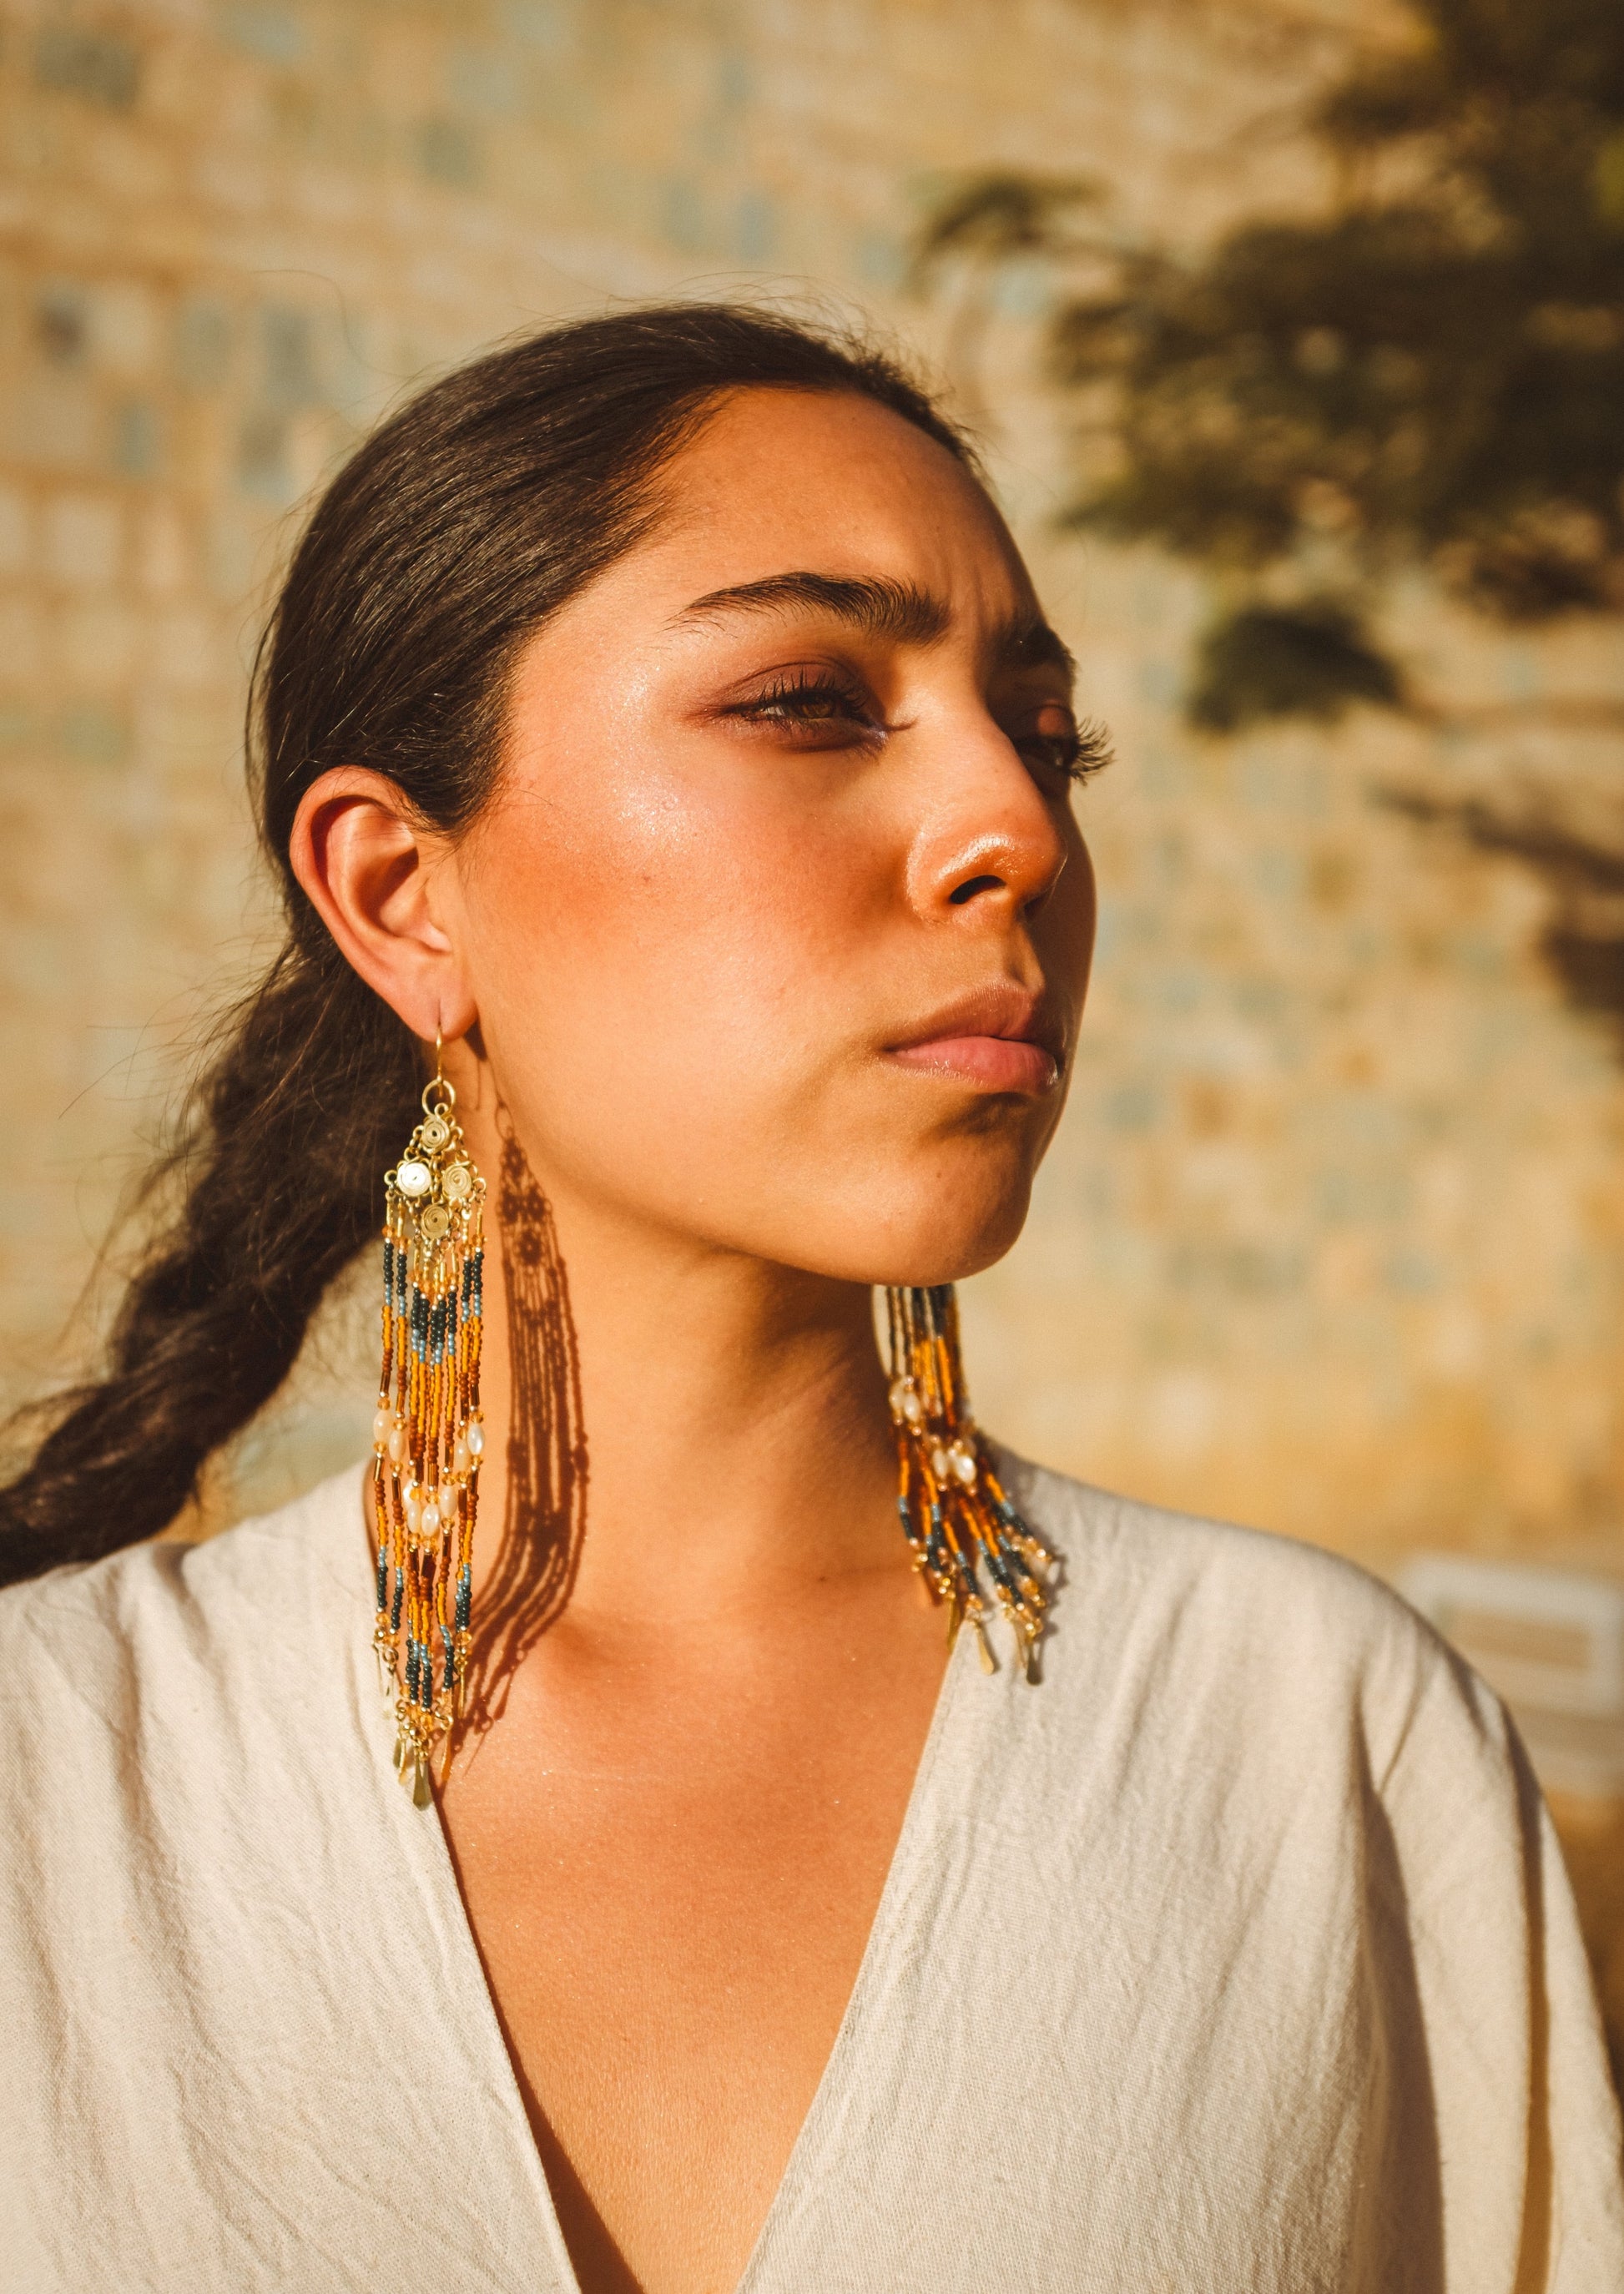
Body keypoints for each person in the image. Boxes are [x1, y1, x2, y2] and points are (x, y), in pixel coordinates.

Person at [0, 304, 1618, 2294]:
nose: (1015, 831)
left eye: (1046, 737)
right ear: (403, 892)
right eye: (806, 702)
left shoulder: (1318, 1746)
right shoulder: (50, 1778)